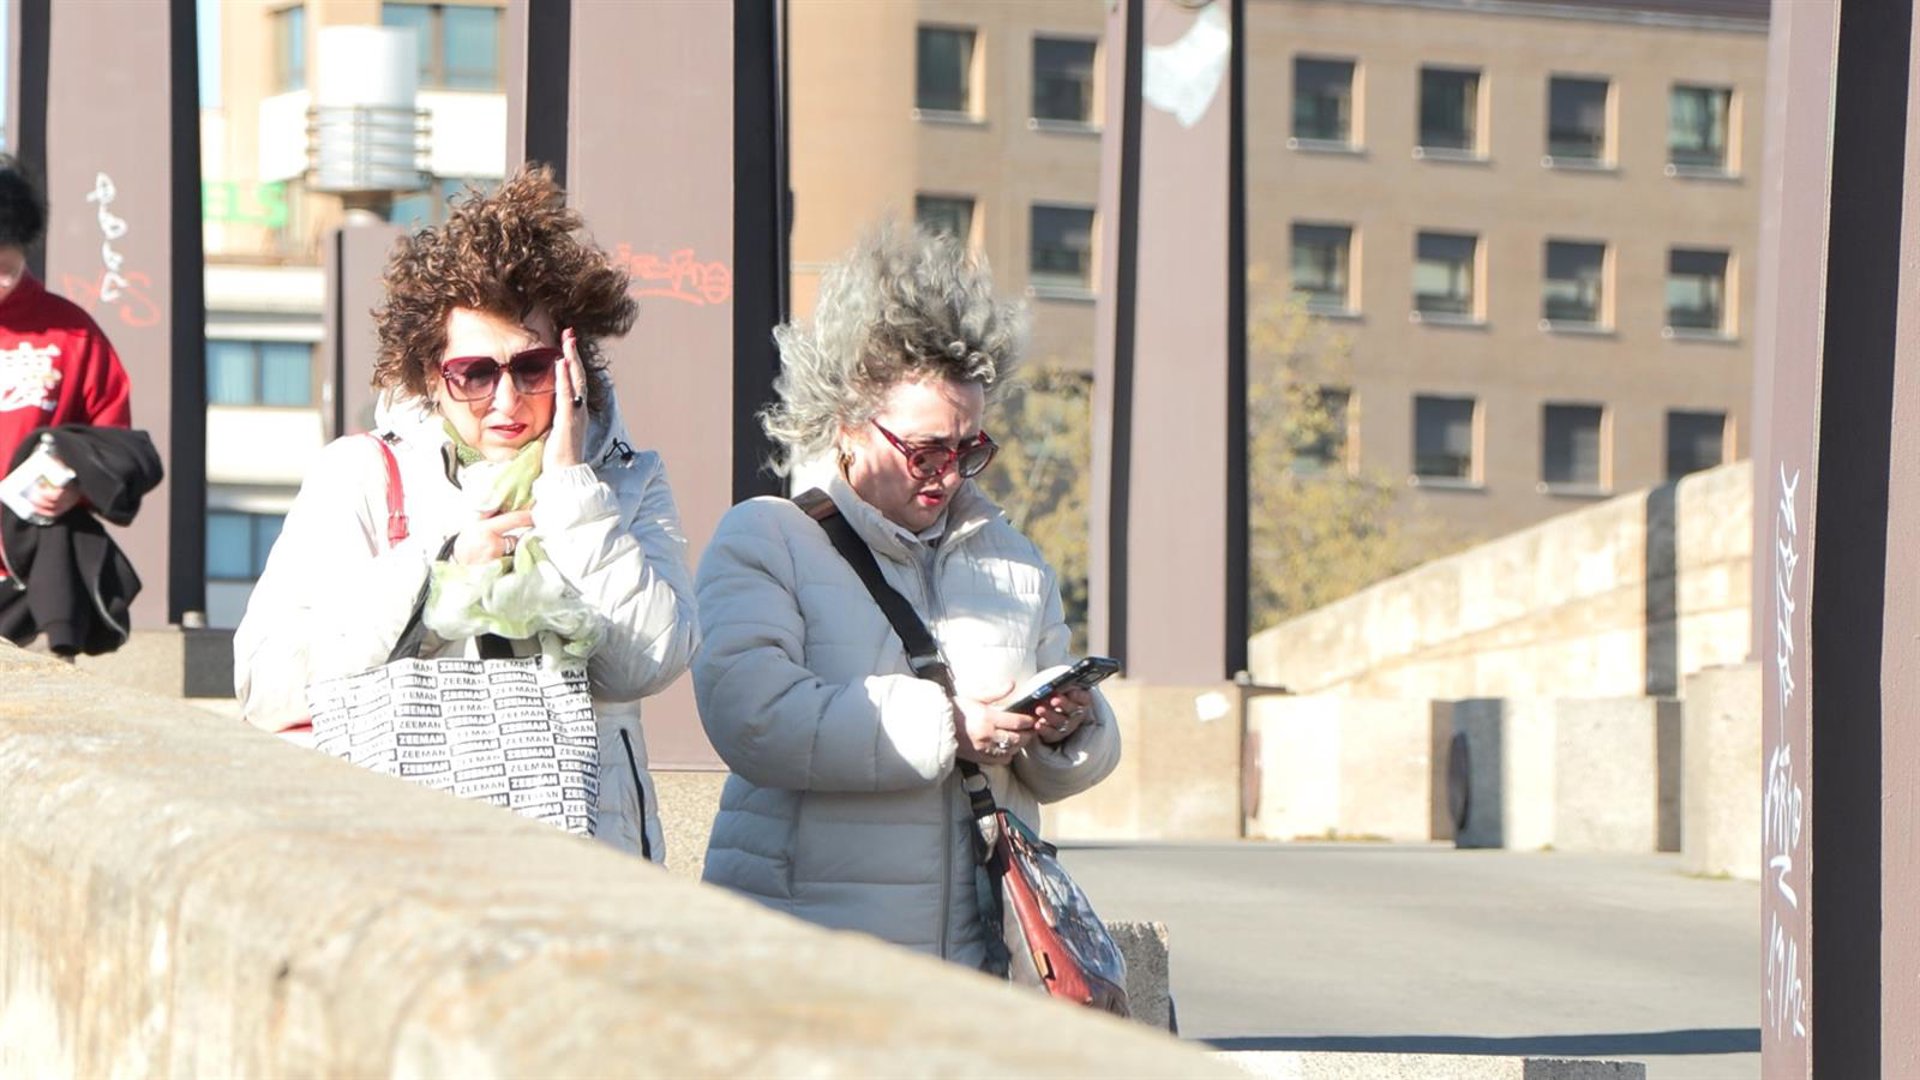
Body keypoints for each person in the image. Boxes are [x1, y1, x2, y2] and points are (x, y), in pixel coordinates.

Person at [233, 166, 697, 860]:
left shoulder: (624, 481)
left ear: (572, 363)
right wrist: (437, 575)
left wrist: (571, 490)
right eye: (475, 374)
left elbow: (644, 666)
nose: (506, 401)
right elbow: (266, 684)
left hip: (585, 867)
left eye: (531, 367)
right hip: (409, 860)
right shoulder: (362, 475)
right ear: (431, 374)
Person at [693, 225, 1121, 967]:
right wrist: (949, 728)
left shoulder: (1016, 562)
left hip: (977, 955)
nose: (948, 474)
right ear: (849, 426)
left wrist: (1063, 727)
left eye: (969, 449)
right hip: (811, 949)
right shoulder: (767, 538)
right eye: (924, 451)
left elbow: (1049, 773)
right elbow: (752, 717)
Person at [0, 156, 134, 589]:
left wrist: (77, 487)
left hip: (29, 571)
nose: (1, 282)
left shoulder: (71, 332)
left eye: (7, 269)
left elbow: (113, 437)